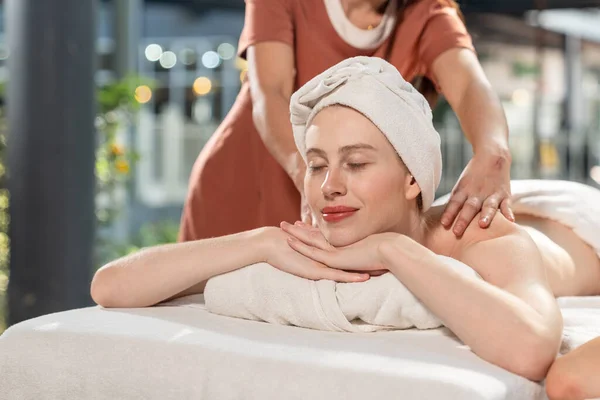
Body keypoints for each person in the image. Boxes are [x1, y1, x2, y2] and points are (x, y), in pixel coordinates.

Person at [92, 57, 600, 382]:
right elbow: (110, 287)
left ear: (412, 181)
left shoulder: (481, 235)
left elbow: (533, 348)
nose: (329, 184)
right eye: (316, 165)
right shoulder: (331, 226)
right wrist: (262, 240)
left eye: (356, 163)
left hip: (578, 226)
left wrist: (393, 251)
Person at [178, 0, 514, 242]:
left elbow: (470, 84)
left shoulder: (426, 13)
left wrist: (492, 150)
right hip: (243, 179)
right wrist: (310, 175)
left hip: (329, 202)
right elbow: (271, 94)